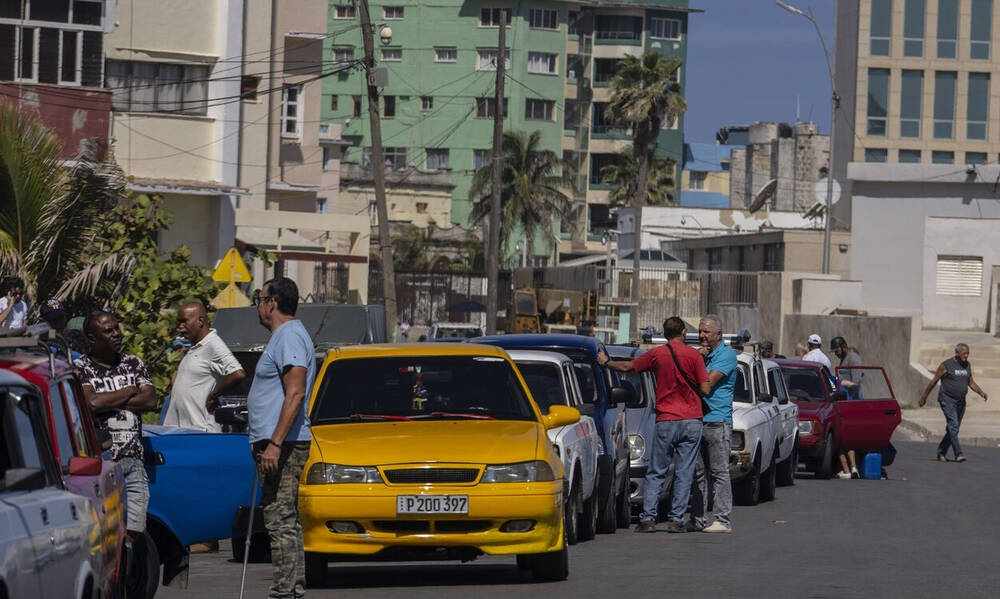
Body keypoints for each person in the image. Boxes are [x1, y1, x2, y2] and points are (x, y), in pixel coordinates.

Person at [599, 316, 709, 533]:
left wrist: (605, 362)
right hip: (691, 420)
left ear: (665, 333)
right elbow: (705, 389)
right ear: (684, 332)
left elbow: (626, 366)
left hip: (666, 419)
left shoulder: (658, 354)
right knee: (684, 471)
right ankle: (676, 519)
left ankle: (648, 518)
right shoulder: (694, 356)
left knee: (656, 470)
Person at [247, 278, 315, 598]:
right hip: (278, 442)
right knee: (283, 519)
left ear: (271, 302)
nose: (257, 305)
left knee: (279, 519)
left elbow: (296, 392)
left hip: (284, 444)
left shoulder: (289, 336)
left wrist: (274, 443)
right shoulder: (284, 336)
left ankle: (285, 592)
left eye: (258, 299)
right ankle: (290, 589)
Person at [76, 311, 158, 549]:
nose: (116, 334)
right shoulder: (81, 367)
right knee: (104, 531)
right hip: (101, 463)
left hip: (133, 459)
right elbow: (91, 403)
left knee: (135, 528)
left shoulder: (133, 363)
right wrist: (130, 391)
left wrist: (107, 400)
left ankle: (124, 576)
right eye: (108, 331)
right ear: (92, 338)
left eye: (116, 328)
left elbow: (150, 400)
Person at [163, 301, 246, 433]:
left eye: (184, 321)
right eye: (178, 322)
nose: (180, 327)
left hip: (200, 430)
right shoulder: (195, 346)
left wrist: (213, 395)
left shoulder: (213, 344)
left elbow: (238, 373)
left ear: (200, 321)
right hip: (181, 430)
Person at [690, 314, 739, 533]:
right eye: (700, 331)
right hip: (699, 419)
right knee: (698, 473)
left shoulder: (726, 355)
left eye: (706, 332)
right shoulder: (703, 355)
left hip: (717, 421)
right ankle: (698, 518)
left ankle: (722, 519)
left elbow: (706, 384)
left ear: (718, 334)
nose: (702, 336)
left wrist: (697, 361)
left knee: (719, 472)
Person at [919, 343, 988, 462]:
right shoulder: (946, 365)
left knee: (953, 429)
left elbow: (971, 382)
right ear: (957, 353)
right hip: (947, 400)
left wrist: (981, 393)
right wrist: (924, 397)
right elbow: (933, 382)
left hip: (961, 402)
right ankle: (958, 453)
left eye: (968, 354)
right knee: (954, 426)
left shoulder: (967, 365)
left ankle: (941, 452)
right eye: (964, 353)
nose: (966, 356)